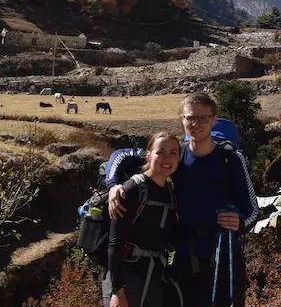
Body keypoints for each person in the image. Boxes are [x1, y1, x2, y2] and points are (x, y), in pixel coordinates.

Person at [109, 93, 259, 307]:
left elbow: (253, 209)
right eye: (190, 118)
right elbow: (121, 155)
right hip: (182, 258)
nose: (196, 124)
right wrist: (113, 185)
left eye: (203, 118)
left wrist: (241, 222)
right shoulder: (174, 156)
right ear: (182, 120)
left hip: (223, 256)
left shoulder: (231, 159)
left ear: (214, 119)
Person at [103, 131, 180, 307]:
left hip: (153, 280)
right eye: (160, 152)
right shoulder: (131, 190)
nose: (167, 158)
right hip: (126, 280)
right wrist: (117, 292)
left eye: (173, 153)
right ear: (148, 154)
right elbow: (114, 243)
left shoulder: (170, 193)